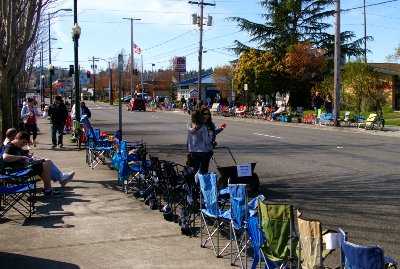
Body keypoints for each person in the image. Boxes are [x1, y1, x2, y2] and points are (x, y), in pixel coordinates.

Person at [2, 132, 75, 196]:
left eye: (25, 143)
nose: (23, 144)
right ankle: (50, 189)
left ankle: (58, 181)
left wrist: (29, 157)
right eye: (23, 142)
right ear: (17, 138)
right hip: (18, 171)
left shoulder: (17, 146)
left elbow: (22, 157)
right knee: (45, 165)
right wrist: (22, 157)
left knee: (47, 161)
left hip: (22, 168)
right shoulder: (10, 146)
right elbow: (5, 157)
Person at [187, 110, 213, 175]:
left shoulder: (189, 126)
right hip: (202, 151)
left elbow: (189, 140)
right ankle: (202, 184)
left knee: (195, 170)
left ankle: (195, 184)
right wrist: (210, 135)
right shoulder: (203, 127)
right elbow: (207, 141)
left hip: (192, 151)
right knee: (203, 171)